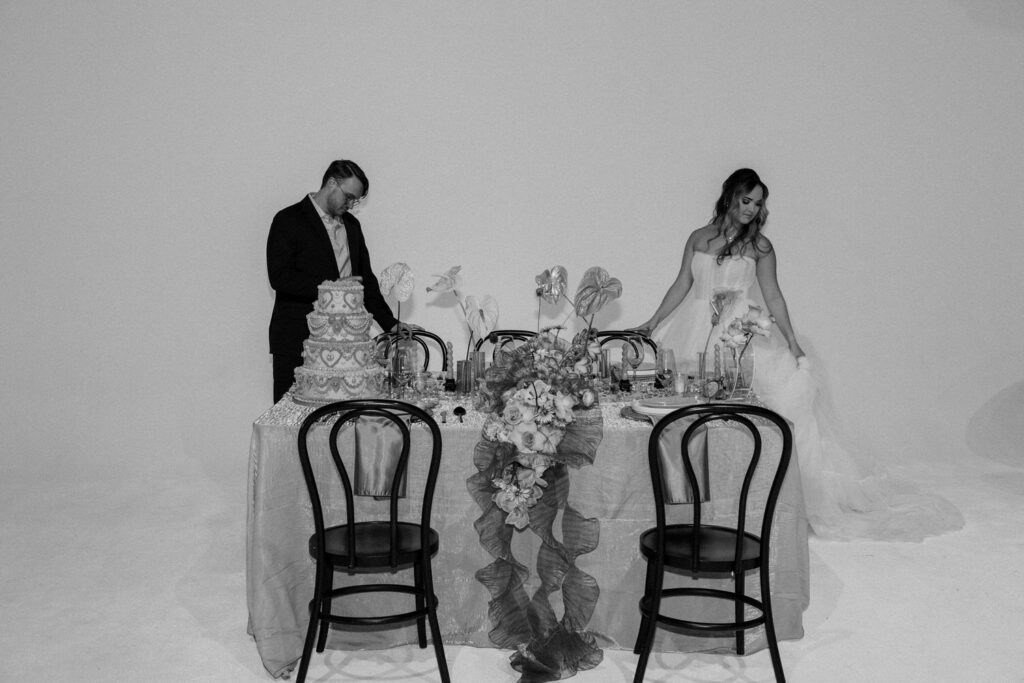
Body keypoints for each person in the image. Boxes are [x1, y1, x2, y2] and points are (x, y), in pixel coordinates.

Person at [632, 168, 963, 541]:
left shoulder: (760, 247)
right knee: (690, 413)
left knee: (750, 411)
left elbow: (773, 295)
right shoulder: (698, 237)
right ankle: (700, 501)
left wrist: (791, 341)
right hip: (695, 328)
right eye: (746, 201)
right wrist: (653, 321)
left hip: (737, 334)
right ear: (729, 197)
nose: (752, 210)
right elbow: (682, 284)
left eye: (758, 204)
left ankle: (757, 501)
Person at [267, 159, 405, 403]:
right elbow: (280, 277)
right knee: (290, 421)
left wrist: (391, 324)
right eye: (349, 197)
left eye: (356, 201)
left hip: (347, 347)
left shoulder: (352, 226)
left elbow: (366, 283)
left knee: (340, 421)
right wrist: (333, 288)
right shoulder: (288, 219)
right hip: (298, 340)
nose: (351, 205)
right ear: (332, 183)